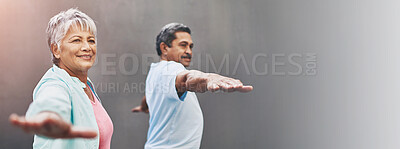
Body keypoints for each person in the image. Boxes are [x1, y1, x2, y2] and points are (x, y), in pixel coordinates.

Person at [132, 23, 253, 149]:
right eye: (183, 45)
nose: (189, 51)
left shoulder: (155, 71)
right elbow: (186, 80)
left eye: (191, 46)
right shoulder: (171, 68)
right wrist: (208, 79)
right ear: (164, 48)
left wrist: (144, 106)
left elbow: (151, 94)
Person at [8, 8, 113, 149]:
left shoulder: (86, 86)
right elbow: (52, 99)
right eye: (76, 40)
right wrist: (49, 115)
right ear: (56, 49)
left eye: (91, 40)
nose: (87, 47)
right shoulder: (55, 83)